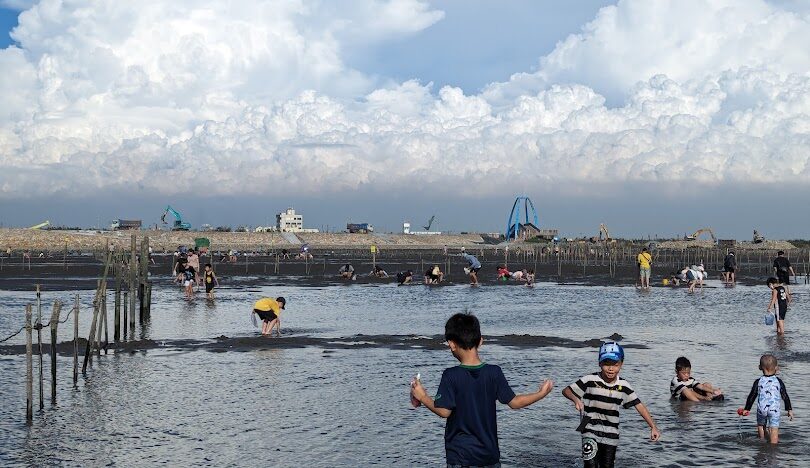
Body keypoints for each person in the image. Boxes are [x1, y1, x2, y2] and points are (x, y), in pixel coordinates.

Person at [410, 313, 554, 467]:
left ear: (451, 344)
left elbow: (444, 411)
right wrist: (541, 394)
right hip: (489, 456)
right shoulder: (494, 372)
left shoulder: (450, 375)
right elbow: (515, 402)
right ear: (480, 342)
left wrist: (423, 396)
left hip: (461, 457)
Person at [562, 342, 661, 468]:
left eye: (615, 364)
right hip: (588, 428)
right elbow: (566, 390)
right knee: (591, 465)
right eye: (606, 364)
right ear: (599, 363)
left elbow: (639, 405)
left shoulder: (623, 386)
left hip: (611, 432)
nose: (610, 368)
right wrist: (576, 399)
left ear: (621, 364)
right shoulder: (590, 380)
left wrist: (653, 426)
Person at [738, 354, 793, 444]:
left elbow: (752, 396)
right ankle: (773, 447)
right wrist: (789, 409)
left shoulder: (758, 381)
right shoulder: (778, 381)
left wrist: (746, 409)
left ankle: (762, 442)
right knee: (774, 428)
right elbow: (785, 395)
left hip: (762, 409)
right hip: (774, 409)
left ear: (760, 367)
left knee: (761, 426)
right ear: (777, 368)